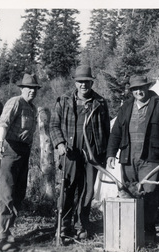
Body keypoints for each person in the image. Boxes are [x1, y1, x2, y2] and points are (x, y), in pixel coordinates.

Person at [106, 75, 159, 245]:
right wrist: (111, 153)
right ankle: (130, 232)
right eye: (135, 89)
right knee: (128, 195)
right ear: (131, 91)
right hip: (128, 158)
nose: (139, 91)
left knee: (149, 195)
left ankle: (149, 232)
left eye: (142, 88)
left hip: (150, 159)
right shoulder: (126, 107)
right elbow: (116, 131)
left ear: (147, 87)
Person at [49, 65, 110, 241]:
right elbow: (53, 125)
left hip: (92, 155)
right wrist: (59, 143)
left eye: (87, 82)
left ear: (91, 82)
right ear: (75, 83)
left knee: (88, 191)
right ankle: (63, 225)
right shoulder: (64, 101)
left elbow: (106, 130)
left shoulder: (100, 103)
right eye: (80, 82)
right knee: (67, 189)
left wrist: (105, 154)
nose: (83, 85)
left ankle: (81, 224)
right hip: (70, 153)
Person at [0, 73, 41, 252]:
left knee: (19, 194)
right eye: (29, 88)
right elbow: (2, 123)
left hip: (23, 153)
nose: (32, 92)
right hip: (9, 151)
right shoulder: (15, 102)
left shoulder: (33, 108)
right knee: (6, 194)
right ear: (22, 89)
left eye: (35, 89)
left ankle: (7, 229)